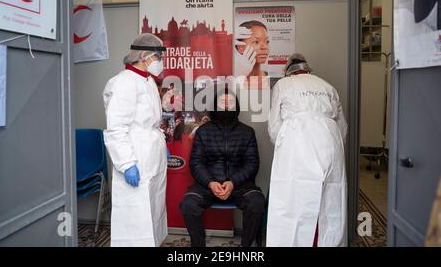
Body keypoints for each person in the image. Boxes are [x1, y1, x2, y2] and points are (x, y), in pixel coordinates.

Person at [267, 54, 348, 247]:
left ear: (288, 71)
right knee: (331, 199)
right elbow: (343, 127)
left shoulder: (282, 85)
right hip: (330, 141)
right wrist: (335, 145)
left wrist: (282, 145)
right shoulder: (328, 87)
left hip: (296, 142)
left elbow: (274, 126)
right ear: (308, 69)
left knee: (292, 199)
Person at [103, 33, 168, 247]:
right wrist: (127, 163)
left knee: (153, 207)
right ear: (143, 55)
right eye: (158, 57)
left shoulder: (147, 80)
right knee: (136, 217)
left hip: (151, 152)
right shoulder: (123, 83)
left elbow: (150, 120)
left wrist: (160, 144)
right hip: (135, 155)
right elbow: (116, 128)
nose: (160, 62)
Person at [180, 88, 266, 247]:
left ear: (236, 106)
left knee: (257, 202)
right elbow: (196, 162)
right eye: (222, 102)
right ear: (215, 105)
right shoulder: (203, 131)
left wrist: (233, 182)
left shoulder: (247, 132)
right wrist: (210, 182)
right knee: (188, 203)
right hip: (208, 185)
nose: (226, 106)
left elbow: (252, 163)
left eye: (230, 102)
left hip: (240, 186)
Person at [234, 21, 270, 89]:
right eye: (256, 42)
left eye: (267, 41)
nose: (264, 47)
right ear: (240, 47)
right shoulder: (230, 81)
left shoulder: (272, 81)